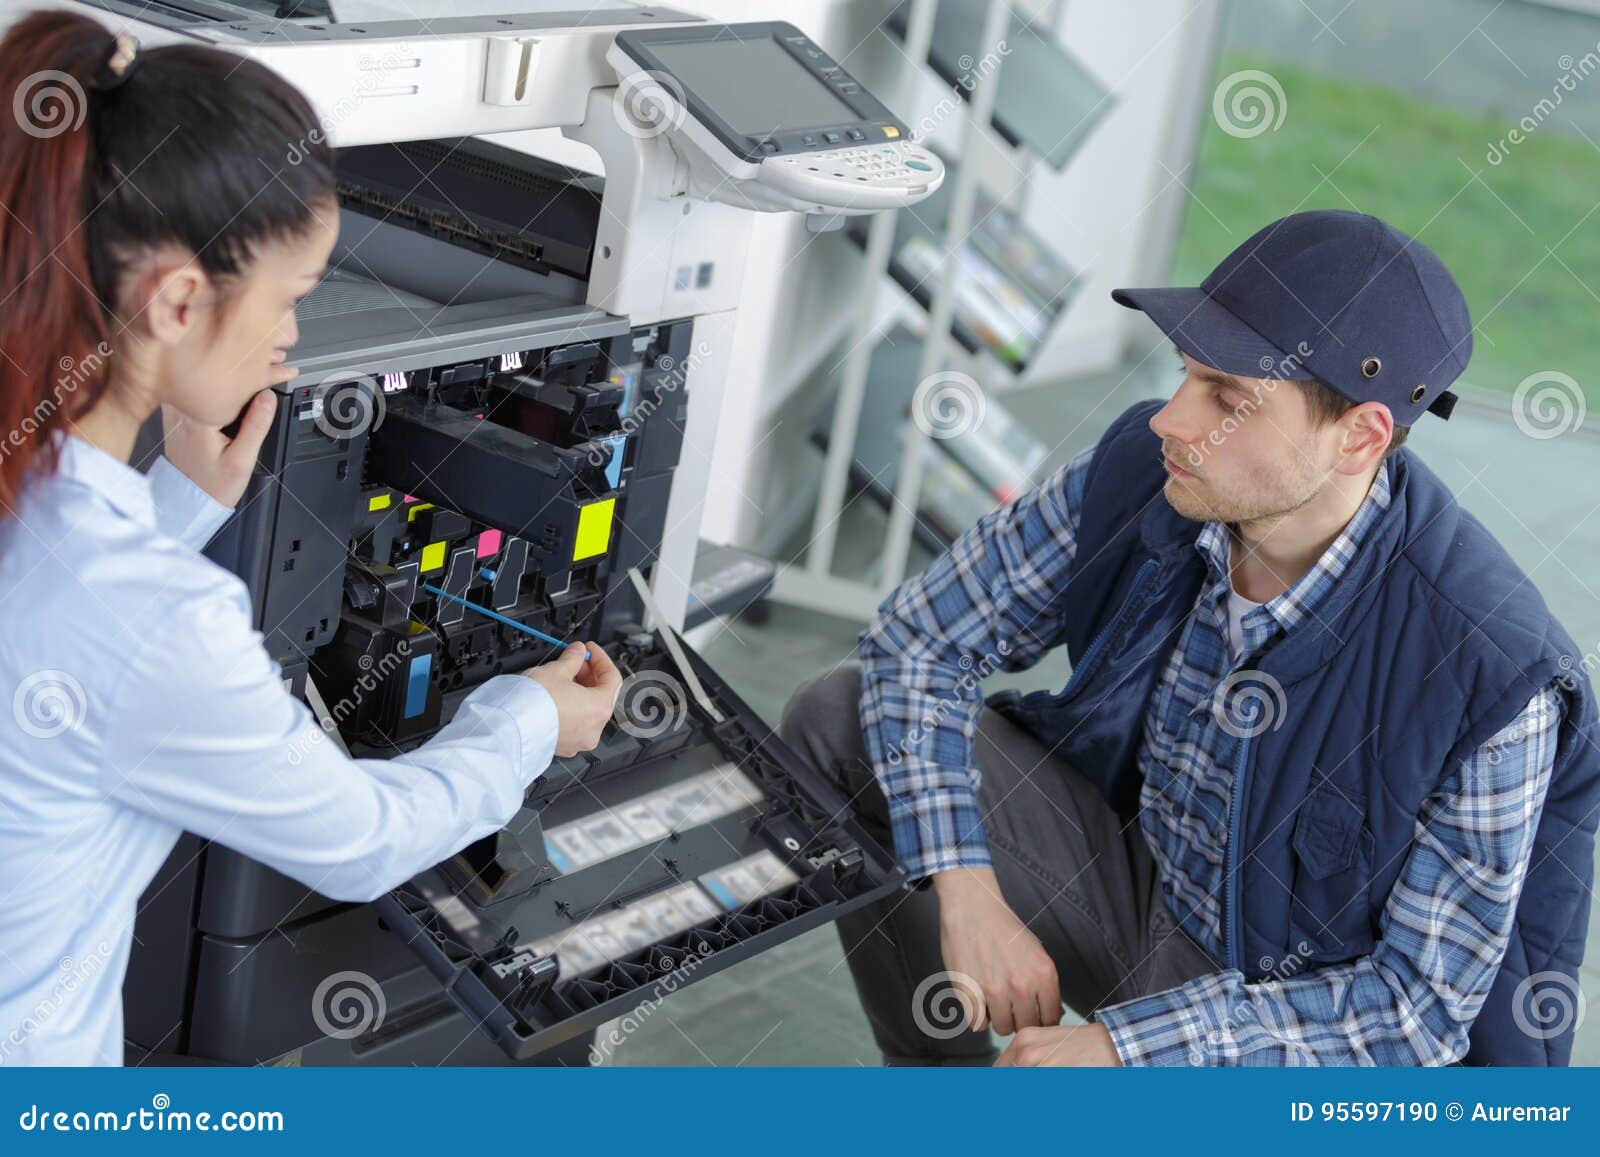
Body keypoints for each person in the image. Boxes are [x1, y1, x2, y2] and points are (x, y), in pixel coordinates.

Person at [782, 209, 1600, 1066]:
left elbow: (1412, 1013)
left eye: (1227, 399)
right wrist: (966, 889)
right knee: (839, 720)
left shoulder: (1490, 670)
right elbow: (919, 642)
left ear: (1361, 435)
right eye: (1185, 375)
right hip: (1148, 886)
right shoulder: (1154, 472)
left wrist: (1125, 1050)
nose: (1173, 418)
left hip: (1298, 1029)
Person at [0, 11, 622, 1066]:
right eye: (290, 298)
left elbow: (57, 622)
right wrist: (526, 715)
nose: (294, 334)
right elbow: (360, 839)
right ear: (178, 300)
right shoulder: (159, 619)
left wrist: (181, 505)